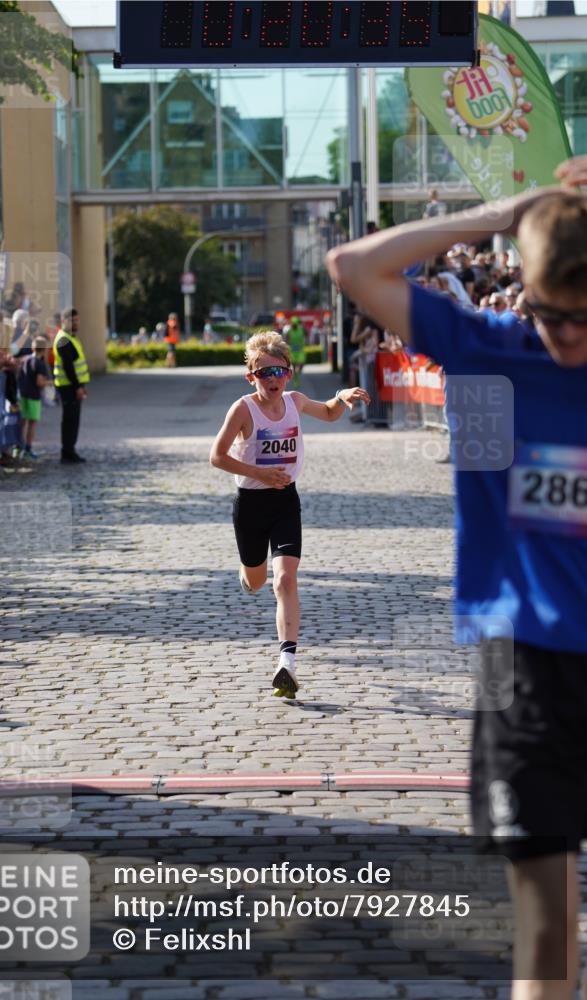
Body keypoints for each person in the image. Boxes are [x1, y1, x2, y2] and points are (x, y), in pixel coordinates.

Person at [326, 155, 587, 1000]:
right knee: (546, 921)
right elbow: (353, 267)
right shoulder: (487, 348)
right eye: (550, 315)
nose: (564, 339)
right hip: (524, 663)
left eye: (585, 321)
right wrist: (510, 211)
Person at [209, 331, 369, 699]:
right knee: (259, 580)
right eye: (264, 373)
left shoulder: (295, 401)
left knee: (284, 580)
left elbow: (328, 412)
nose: (273, 380)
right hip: (249, 504)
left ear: (289, 374)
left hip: (285, 501)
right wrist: (261, 473)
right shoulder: (243, 409)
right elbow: (217, 456)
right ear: (251, 377)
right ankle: (248, 577)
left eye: (279, 372)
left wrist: (341, 397)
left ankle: (287, 663)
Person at [53, 307, 90, 463]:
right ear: (64, 322)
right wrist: (78, 387)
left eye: (77, 320)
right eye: (72, 320)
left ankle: (70, 450)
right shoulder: (63, 339)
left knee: (73, 420)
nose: (76, 323)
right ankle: (67, 452)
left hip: (71, 385)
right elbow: (68, 367)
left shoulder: (70, 338)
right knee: (70, 420)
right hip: (67, 386)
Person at [17, 336, 50, 459]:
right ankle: (28, 449)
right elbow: (40, 382)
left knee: (22, 422)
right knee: (32, 423)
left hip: (23, 394)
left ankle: (18, 446)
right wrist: (50, 383)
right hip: (34, 396)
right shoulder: (40, 364)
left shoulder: (26, 360)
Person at [287, 315, 306, 387]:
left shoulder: (301, 330)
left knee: (301, 364)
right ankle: (295, 380)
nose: (294, 324)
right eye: (293, 323)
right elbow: (287, 339)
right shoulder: (289, 331)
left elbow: (306, 334)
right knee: (294, 367)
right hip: (293, 351)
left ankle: (298, 374)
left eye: (295, 323)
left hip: (300, 350)